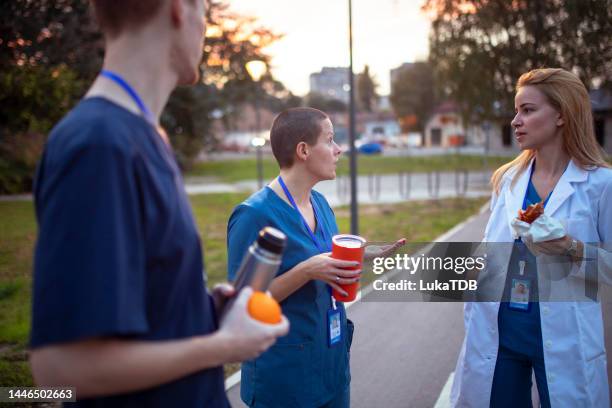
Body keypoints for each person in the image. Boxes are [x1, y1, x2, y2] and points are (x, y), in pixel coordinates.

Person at [29, 1, 288, 406]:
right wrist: (223, 346)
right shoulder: (99, 145)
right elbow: (60, 369)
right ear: (178, 10)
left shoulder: (145, 134)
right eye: (203, 10)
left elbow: (143, 299)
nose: (204, 28)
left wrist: (203, 309)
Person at [451, 68, 612, 407]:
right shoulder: (508, 179)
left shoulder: (600, 185)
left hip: (565, 336)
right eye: (516, 111)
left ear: (561, 115)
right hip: (501, 333)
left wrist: (572, 249)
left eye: (527, 110)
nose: (515, 121)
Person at [227, 107, 404, 407]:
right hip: (285, 382)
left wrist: (360, 254)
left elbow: (323, 256)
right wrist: (306, 271)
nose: (339, 150)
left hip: (331, 368)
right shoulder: (254, 216)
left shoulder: (320, 203)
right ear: (303, 150)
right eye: (331, 140)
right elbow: (241, 306)